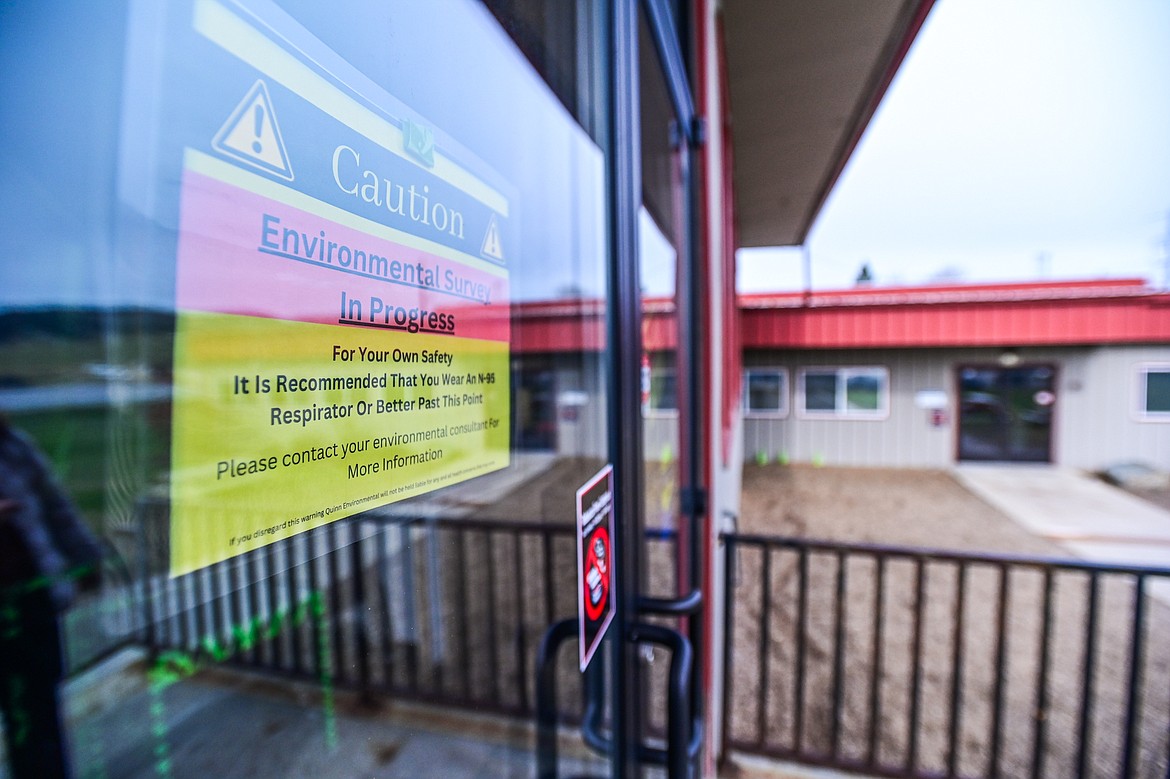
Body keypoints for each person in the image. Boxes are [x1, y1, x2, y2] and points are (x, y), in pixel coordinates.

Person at [0, 413, 104, 778]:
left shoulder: (13, 445)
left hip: (31, 603)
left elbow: (57, 508)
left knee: (40, 707)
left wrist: (87, 558)